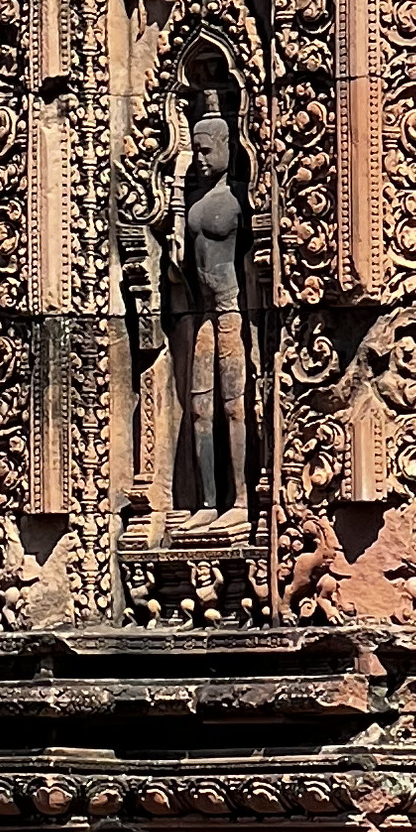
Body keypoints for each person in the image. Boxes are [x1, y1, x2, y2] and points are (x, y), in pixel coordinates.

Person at [178, 103, 250, 522]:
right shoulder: (193, 202)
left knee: (233, 406)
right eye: (196, 152)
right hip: (204, 313)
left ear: (226, 145)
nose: (200, 159)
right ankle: (208, 501)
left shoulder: (239, 201)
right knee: (200, 408)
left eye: (207, 150)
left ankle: (240, 501)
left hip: (232, 313)